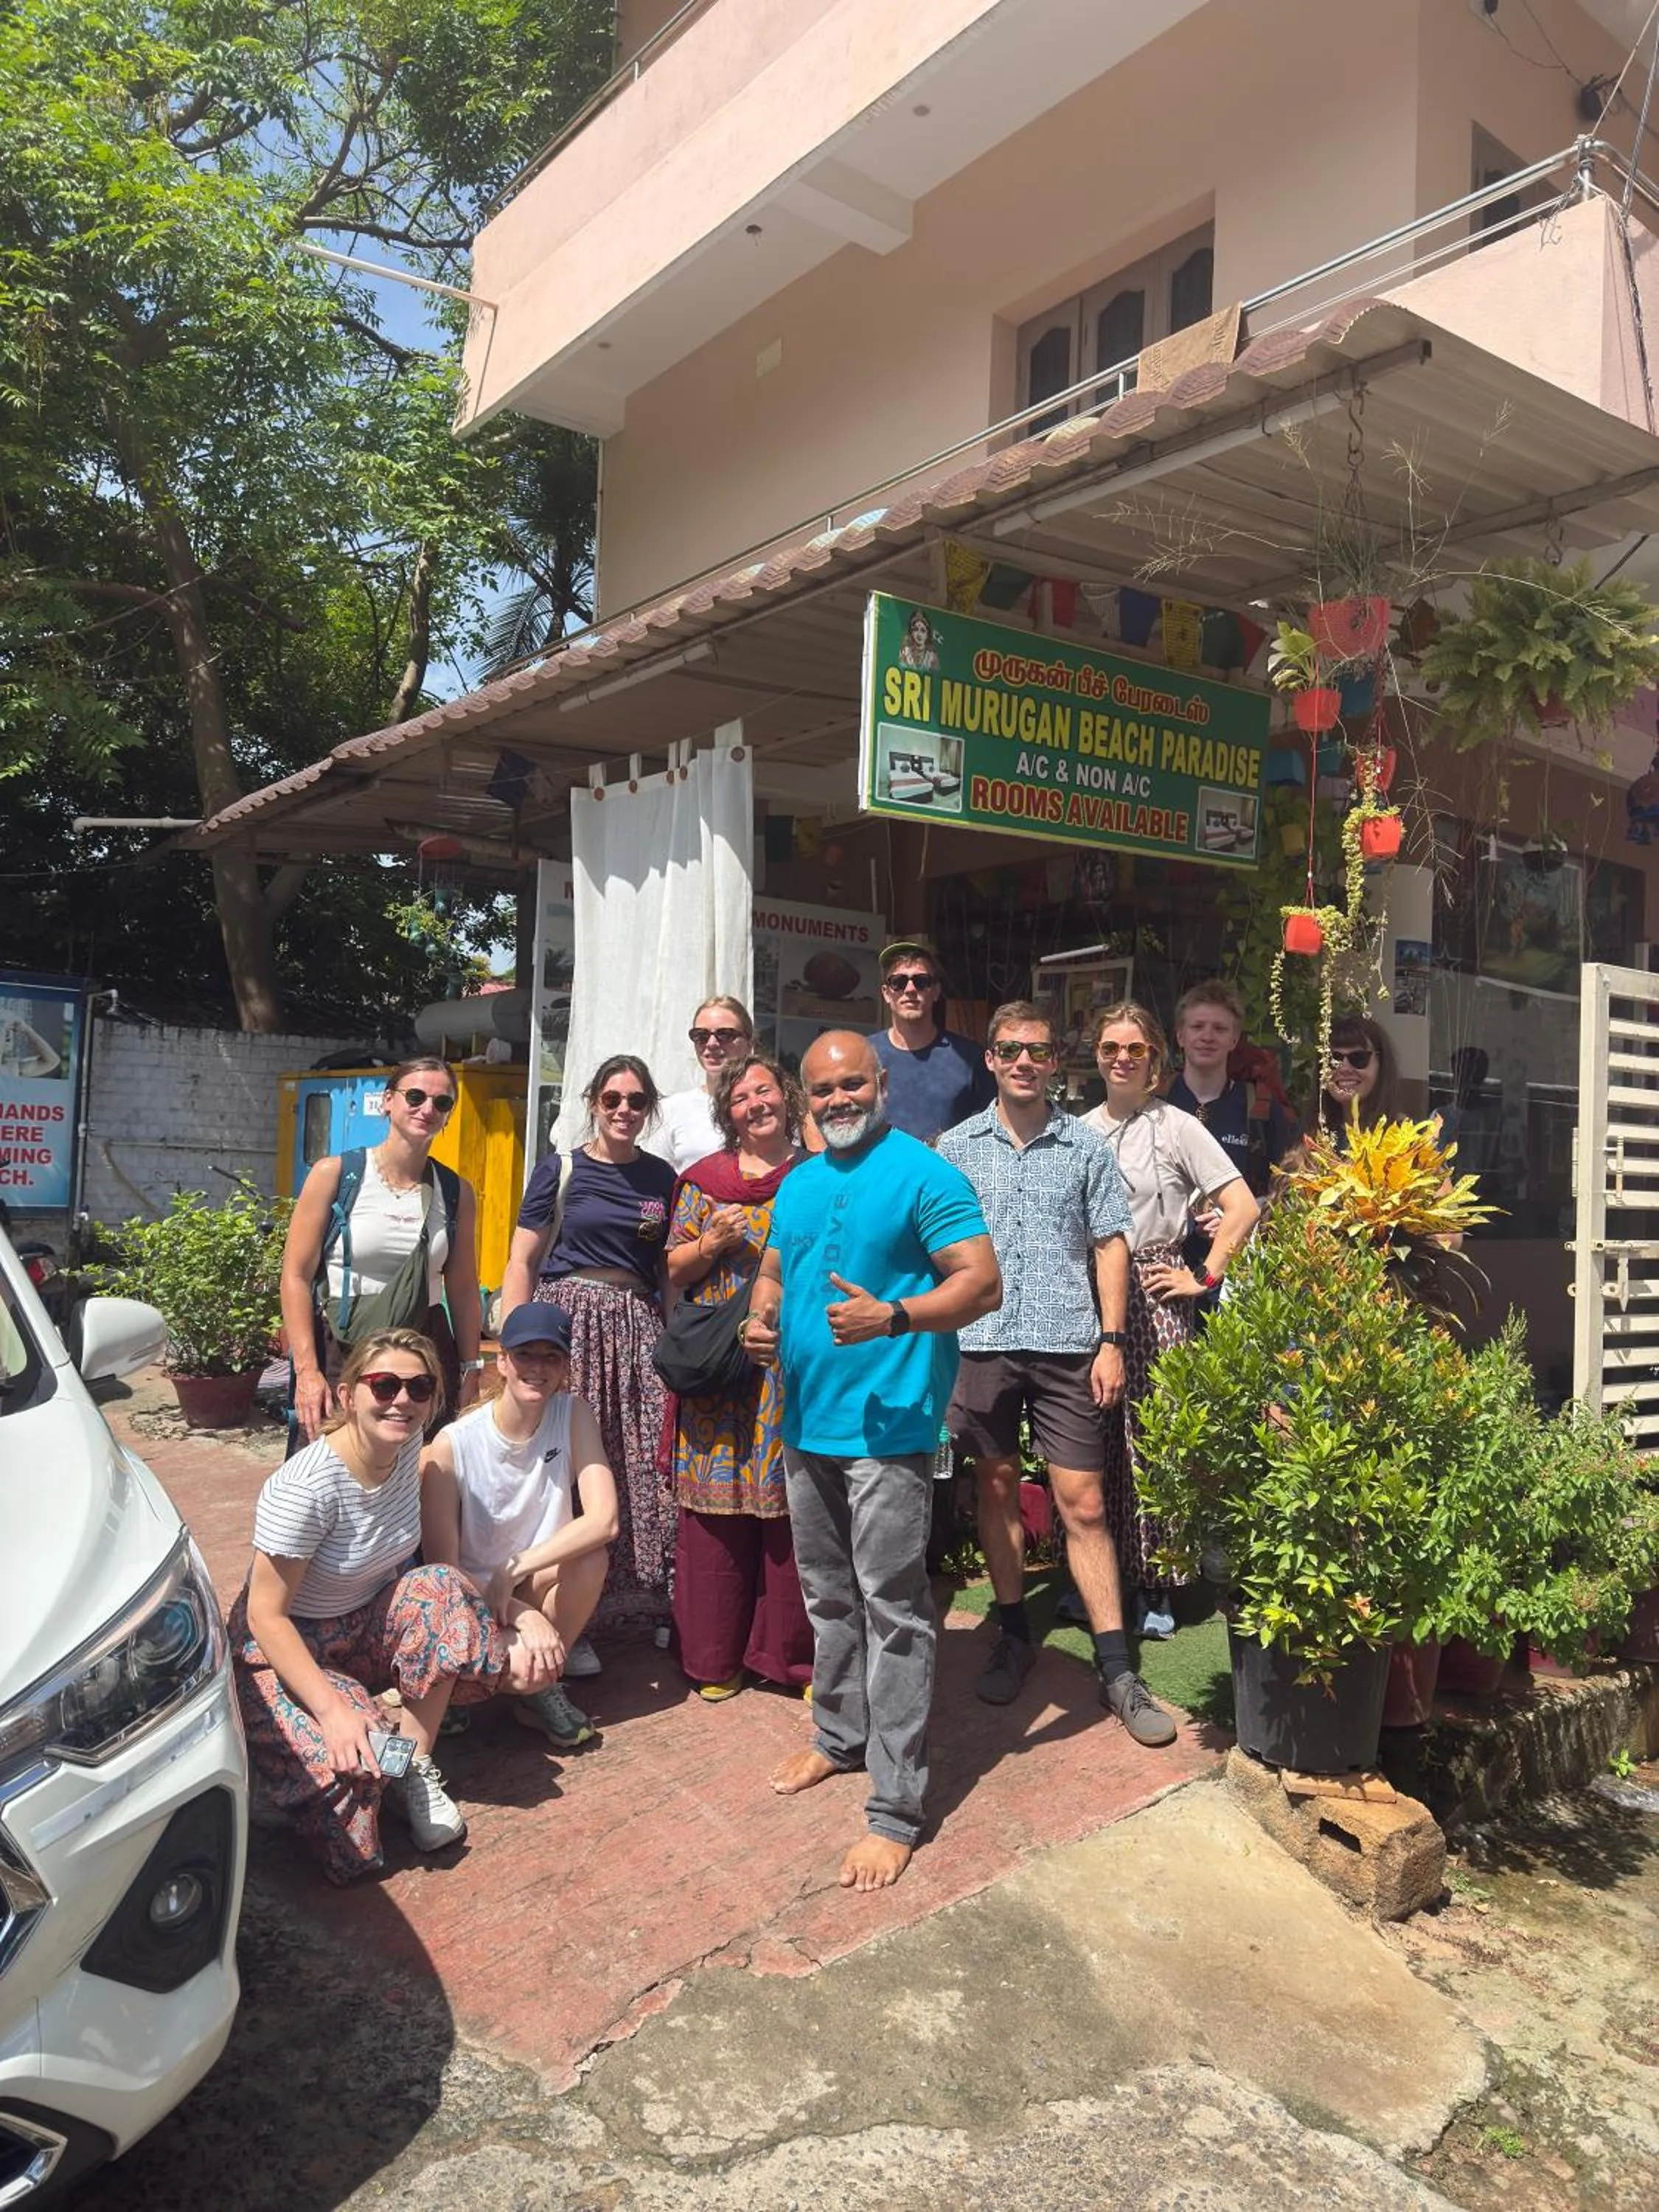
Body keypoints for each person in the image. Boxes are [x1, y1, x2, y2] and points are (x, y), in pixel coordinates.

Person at [743, 1032, 1001, 1892]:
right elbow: (776, 1269)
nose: (837, 1100)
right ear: (805, 1099)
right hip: (806, 1423)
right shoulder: (802, 1180)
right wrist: (763, 1316)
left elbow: (982, 1283)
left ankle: (895, 1808)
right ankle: (838, 1738)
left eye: (852, 1083)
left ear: (881, 1084)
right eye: (822, 1090)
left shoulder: (927, 1175)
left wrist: (894, 1318)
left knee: (894, 1608)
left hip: (888, 1431)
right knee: (827, 1595)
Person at [230, 1328, 552, 1884]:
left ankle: (413, 1764)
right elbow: (266, 1617)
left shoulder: (408, 1450)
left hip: (362, 1626)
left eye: (419, 1387)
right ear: (348, 1392)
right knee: (352, 1794)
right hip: (286, 1647)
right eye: (383, 1386)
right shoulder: (306, 1489)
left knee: (441, 1589)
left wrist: (516, 1613)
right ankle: (288, 1774)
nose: (401, 1400)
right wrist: (334, 1709)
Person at [936, 1003, 1176, 1747]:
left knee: (1085, 1502)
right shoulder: (953, 1148)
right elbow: (931, 1244)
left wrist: (1111, 1340)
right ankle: (1014, 1632)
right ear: (991, 1058)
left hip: (1071, 1344)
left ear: (1053, 1061)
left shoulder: (1083, 1145)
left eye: (1036, 1050)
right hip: (979, 1344)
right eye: (1009, 1049)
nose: (1023, 1062)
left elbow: (1112, 1243)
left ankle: (1115, 1667)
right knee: (998, 1487)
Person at [1081, 1004, 1259, 1626]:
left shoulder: (1178, 1126)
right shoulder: (1079, 1129)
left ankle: (1158, 1583)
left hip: (1156, 1296)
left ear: (1156, 1059)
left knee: (1154, 1439)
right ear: (1096, 1056)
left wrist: (1204, 1276)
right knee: (1093, 1439)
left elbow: (1241, 1208)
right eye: (1110, 1048)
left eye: (1134, 1049)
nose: (1121, 1059)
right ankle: (1098, 1581)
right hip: (1091, 1296)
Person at [501, 1056, 678, 1635]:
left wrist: (673, 1340)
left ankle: (642, 1600)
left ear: (649, 1108)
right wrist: (513, 1344)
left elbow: (668, 1270)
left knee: (640, 1458)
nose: (623, 1110)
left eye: (635, 1101)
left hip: (635, 1327)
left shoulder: (662, 1179)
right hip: (567, 1325)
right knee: (566, 1459)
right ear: (592, 1103)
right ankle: (562, 1610)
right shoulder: (562, 1169)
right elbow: (522, 1258)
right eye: (612, 1099)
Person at [667, 1051, 813, 1701]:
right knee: (716, 1510)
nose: (756, 1104)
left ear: (787, 1097)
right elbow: (674, 1271)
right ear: (728, 1115)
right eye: (741, 1098)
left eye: (766, 1091)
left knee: (794, 1509)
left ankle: (792, 1659)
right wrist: (712, 1243)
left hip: (793, 1362)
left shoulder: (817, 1175)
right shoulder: (705, 1182)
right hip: (720, 1369)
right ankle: (715, 1656)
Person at [421, 1302, 619, 1750]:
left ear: (566, 1366)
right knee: (513, 1661)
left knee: (590, 1557)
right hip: (469, 1602)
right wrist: (518, 1611)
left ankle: (539, 1688)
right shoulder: (455, 1443)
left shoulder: (572, 1414)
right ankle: (450, 1684)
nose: (538, 1367)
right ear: (502, 1361)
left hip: (525, 1580)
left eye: (552, 1356)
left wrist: (514, 1570)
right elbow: (442, 1572)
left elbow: (604, 1519)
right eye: (525, 1354)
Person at [279, 1056, 482, 1451]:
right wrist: (307, 1372)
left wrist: (471, 1368)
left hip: (423, 1355)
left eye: (442, 1103)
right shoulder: (335, 1175)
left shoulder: (456, 1192)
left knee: (419, 1478)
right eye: (416, 1096)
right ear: (388, 1101)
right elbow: (296, 1276)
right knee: (333, 1468)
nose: (427, 1109)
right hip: (344, 1350)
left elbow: (462, 1287)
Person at [1166, 981, 1299, 1200]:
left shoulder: (1260, 1108)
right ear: (1180, 1036)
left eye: (1220, 1029)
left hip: (1238, 1233)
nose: (1207, 1037)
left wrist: (1246, 1213)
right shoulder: (1154, 1101)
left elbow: (1285, 1189)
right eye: (1197, 1027)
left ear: (1234, 1040)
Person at [869, 938, 995, 1143]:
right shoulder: (862, 1054)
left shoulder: (969, 1057)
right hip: (879, 1174)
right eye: (898, 982)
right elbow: (821, 1107)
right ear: (886, 993)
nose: (910, 990)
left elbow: (996, 1123)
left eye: (921, 982)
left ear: (936, 991)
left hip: (946, 1173)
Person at [644, 996, 756, 1172]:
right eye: (701, 1036)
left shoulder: (769, 1107)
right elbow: (654, 1181)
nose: (711, 1044)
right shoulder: (671, 1109)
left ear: (749, 1043)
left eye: (725, 1034)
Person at [1312, 1013, 1402, 1145]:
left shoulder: (1408, 1142)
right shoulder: (1307, 1142)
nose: (1344, 1068)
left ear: (1381, 1065)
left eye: (1359, 1058)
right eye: (1333, 1059)